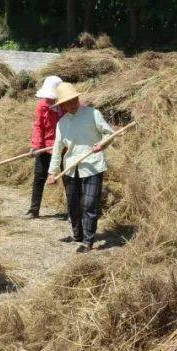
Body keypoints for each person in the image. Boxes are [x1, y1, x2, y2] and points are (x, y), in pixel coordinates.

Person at [46, 82, 116, 253]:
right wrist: (52, 172)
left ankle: (88, 241)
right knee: (73, 205)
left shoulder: (93, 114)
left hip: (92, 166)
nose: (73, 103)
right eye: (68, 102)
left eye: (74, 99)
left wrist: (102, 144)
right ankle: (77, 235)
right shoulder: (62, 123)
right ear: (62, 105)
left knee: (90, 204)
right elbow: (57, 149)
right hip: (70, 168)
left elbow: (109, 133)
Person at [27, 75, 63, 219]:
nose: (49, 100)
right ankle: (34, 209)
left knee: (69, 178)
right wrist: (36, 145)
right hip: (45, 147)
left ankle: (75, 212)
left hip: (64, 147)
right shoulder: (42, 106)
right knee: (39, 177)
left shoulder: (67, 106)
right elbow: (39, 126)